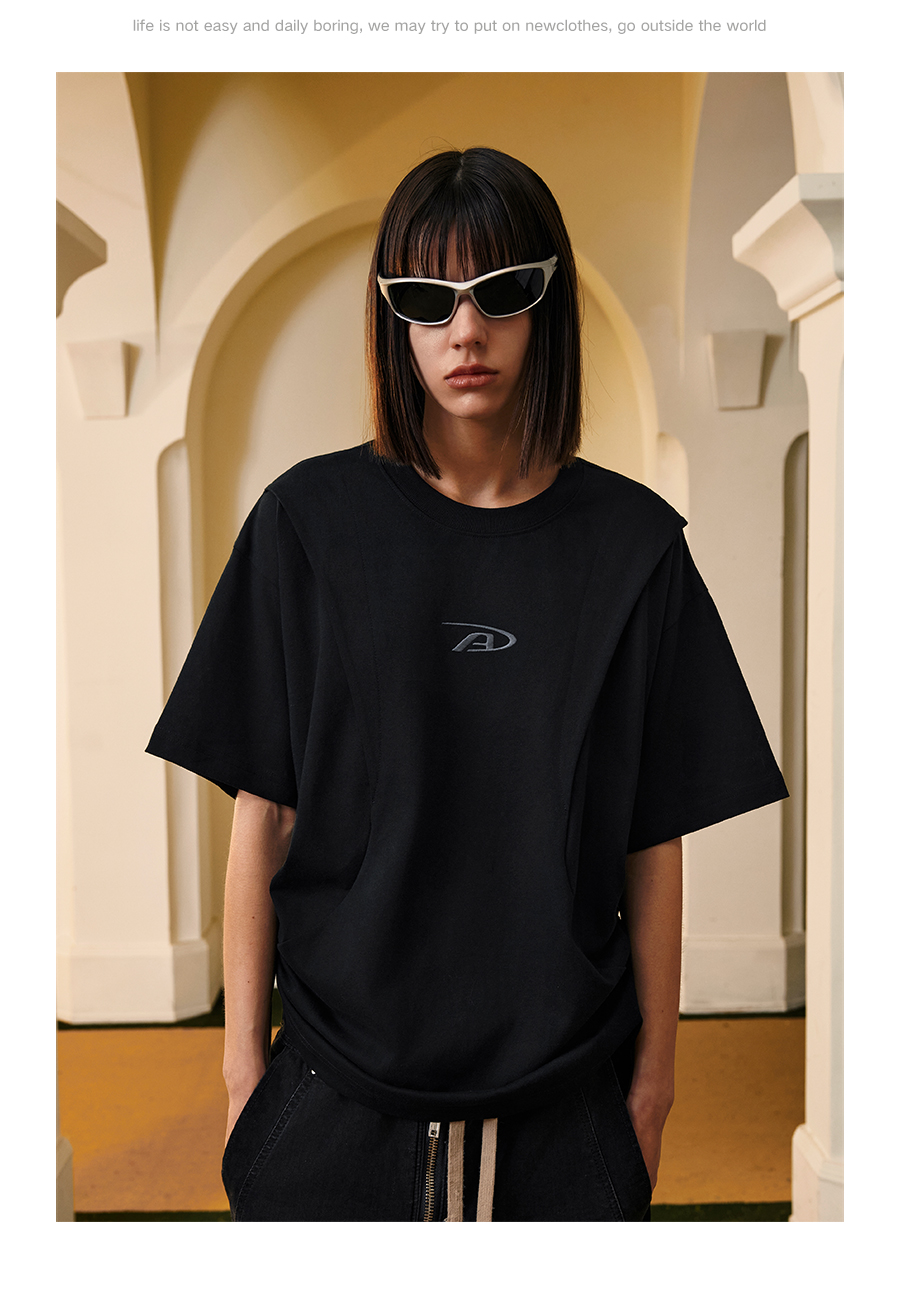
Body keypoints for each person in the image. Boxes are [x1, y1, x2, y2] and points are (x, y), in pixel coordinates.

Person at [147, 147, 788, 1222]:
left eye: (501, 291)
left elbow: (654, 843)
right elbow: (264, 815)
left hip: (566, 1103)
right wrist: (241, 1079)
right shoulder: (306, 524)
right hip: (330, 1089)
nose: (465, 330)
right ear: (391, 316)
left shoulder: (634, 546)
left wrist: (652, 1092)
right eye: (427, 298)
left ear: (547, 303)